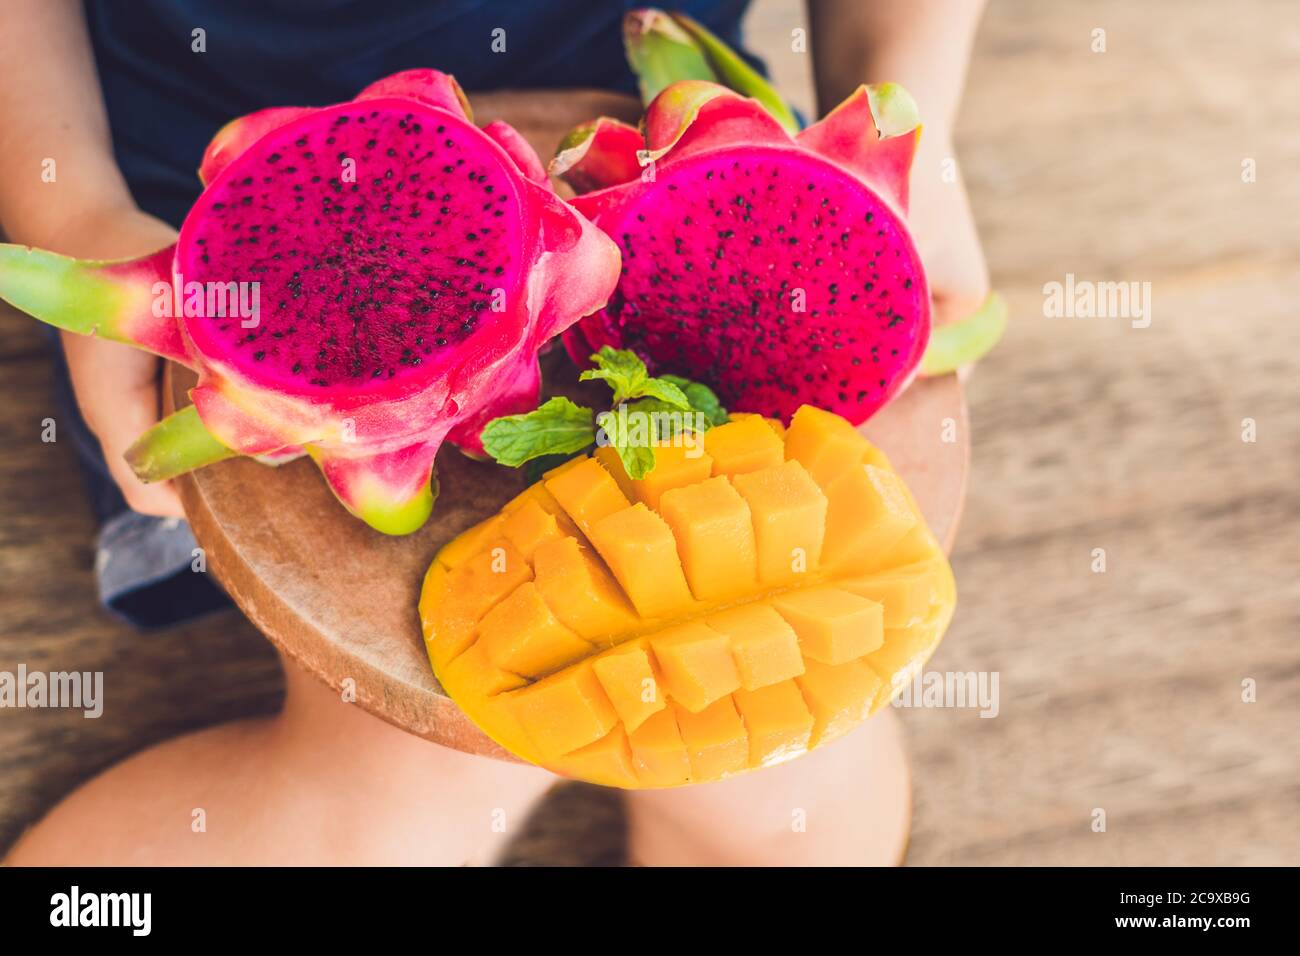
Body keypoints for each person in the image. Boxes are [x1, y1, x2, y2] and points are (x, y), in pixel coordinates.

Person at [0, 0, 987, 865]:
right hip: (212, 243)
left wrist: (911, 122)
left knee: (790, 802)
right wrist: (74, 207)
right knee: (399, 797)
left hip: (710, 171)